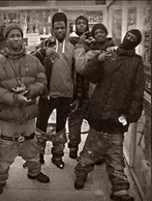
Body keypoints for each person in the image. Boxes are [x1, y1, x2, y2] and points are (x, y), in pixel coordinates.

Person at [74, 28, 145, 201]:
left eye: (133, 38)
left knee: (116, 156)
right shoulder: (109, 55)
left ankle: (120, 190)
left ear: (137, 43)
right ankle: (81, 174)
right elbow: (92, 76)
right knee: (90, 150)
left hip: (117, 117)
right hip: (99, 113)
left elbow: (137, 91)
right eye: (128, 35)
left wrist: (131, 116)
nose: (129, 39)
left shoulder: (136, 62)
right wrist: (97, 60)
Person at [0, 24, 50, 196]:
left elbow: (42, 81)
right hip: (8, 116)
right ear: (6, 39)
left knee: (31, 145)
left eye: (18, 35)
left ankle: (35, 171)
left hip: (28, 113)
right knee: (5, 149)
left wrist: (29, 91)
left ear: (23, 38)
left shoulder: (33, 60)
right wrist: (14, 98)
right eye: (12, 36)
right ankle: (0, 179)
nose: (16, 38)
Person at [32, 12, 76, 169]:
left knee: (60, 128)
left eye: (62, 27)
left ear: (67, 28)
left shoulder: (73, 47)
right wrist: (42, 52)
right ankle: (39, 156)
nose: (59, 31)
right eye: (56, 27)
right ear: (52, 28)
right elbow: (29, 60)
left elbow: (77, 73)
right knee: (40, 127)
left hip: (65, 95)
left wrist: (76, 95)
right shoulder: (45, 45)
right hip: (47, 95)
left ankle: (58, 156)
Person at [68, 15, 91, 159]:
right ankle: (73, 146)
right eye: (79, 23)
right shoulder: (71, 42)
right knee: (75, 119)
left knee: (93, 121)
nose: (81, 26)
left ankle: (91, 150)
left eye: (84, 23)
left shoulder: (94, 41)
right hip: (76, 86)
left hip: (91, 86)